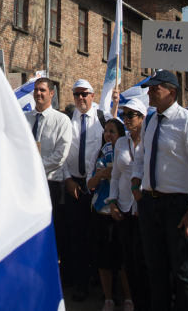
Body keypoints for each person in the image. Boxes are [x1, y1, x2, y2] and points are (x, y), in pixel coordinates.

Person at [131, 70, 188, 311]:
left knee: (182, 269)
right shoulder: (152, 120)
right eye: (150, 88)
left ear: (171, 92)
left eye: (156, 89)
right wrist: (136, 183)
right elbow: (141, 156)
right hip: (151, 203)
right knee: (155, 267)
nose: (150, 93)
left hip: (178, 205)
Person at [64, 79, 106, 300]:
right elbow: (62, 154)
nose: (81, 98)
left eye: (85, 94)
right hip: (74, 185)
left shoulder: (102, 120)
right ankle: (80, 283)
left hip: (97, 186)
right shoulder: (67, 120)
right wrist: (68, 180)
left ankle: (98, 278)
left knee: (97, 235)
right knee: (76, 236)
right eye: (77, 94)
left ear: (92, 95)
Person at [26, 76, 72, 279]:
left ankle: (56, 276)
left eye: (42, 90)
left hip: (52, 184)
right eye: (36, 90)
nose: (38, 93)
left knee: (55, 232)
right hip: (29, 185)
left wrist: (34, 167)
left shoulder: (61, 120)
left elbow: (60, 156)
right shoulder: (25, 119)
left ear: (51, 93)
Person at [112, 98, 151, 311]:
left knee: (144, 259)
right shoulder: (120, 143)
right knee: (129, 258)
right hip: (124, 207)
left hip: (144, 208)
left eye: (131, 115)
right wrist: (112, 201)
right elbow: (116, 176)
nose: (126, 119)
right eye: (124, 115)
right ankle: (134, 299)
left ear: (142, 118)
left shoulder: (149, 142)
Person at [88, 118, 131, 311]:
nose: (108, 135)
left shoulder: (128, 151)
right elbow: (89, 185)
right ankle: (108, 298)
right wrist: (99, 175)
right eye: (106, 131)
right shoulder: (99, 153)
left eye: (112, 131)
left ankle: (128, 297)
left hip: (122, 210)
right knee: (103, 257)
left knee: (123, 257)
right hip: (101, 211)